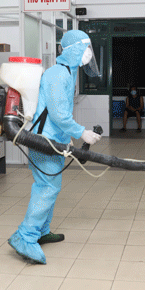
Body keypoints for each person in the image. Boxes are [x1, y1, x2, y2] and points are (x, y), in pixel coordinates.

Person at [8, 30, 101, 264]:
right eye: (86, 48)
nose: (89, 54)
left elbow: (56, 113)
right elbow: (59, 114)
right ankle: (25, 236)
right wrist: (82, 133)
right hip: (43, 141)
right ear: (74, 50)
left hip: (53, 139)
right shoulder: (59, 75)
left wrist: (66, 136)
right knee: (46, 188)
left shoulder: (68, 73)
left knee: (51, 186)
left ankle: (41, 231)